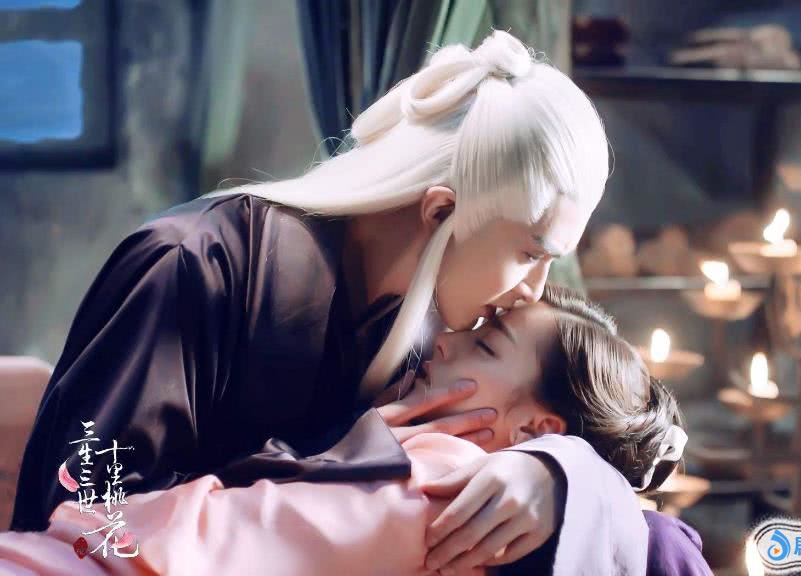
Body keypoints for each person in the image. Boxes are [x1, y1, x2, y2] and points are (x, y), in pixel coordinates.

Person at [12, 29, 618, 574]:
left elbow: (621, 428)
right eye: (531, 254)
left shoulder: (430, 332)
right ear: (440, 213)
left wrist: (557, 471)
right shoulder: (191, 265)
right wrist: (336, 461)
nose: (534, 291)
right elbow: (88, 526)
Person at [0, 287, 688, 575]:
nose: (446, 339)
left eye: (484, 345)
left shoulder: (444, 487)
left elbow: (206, 547)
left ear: (534, 429)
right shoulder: (416, 459)